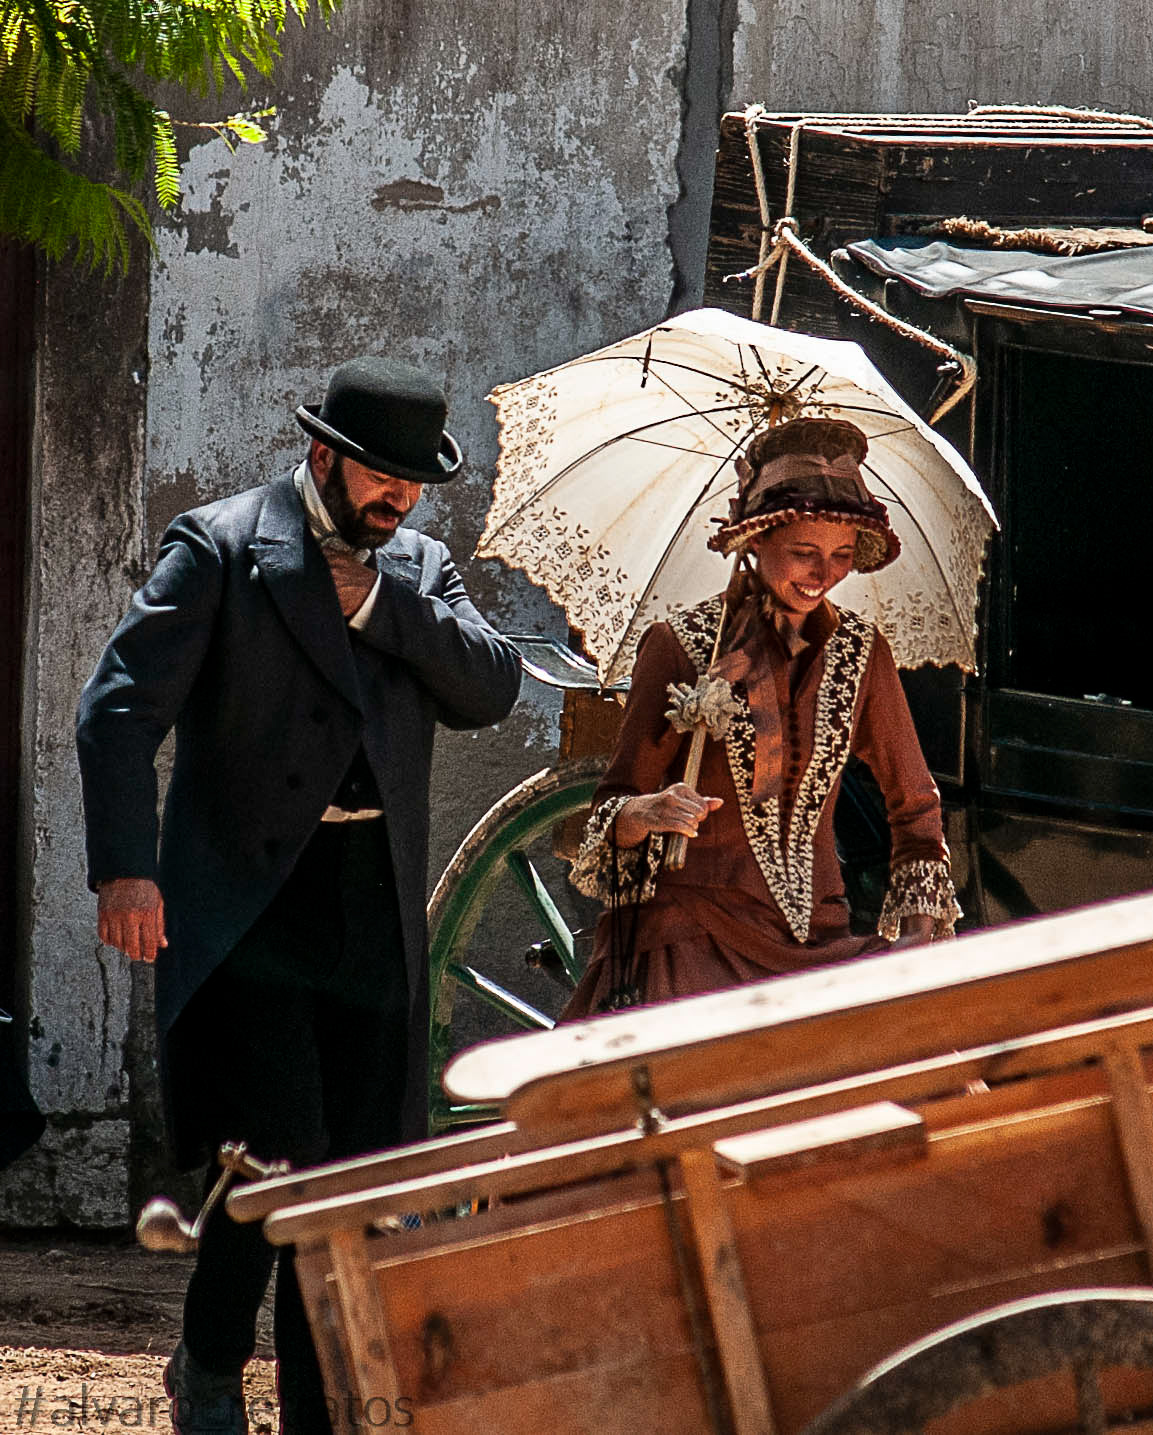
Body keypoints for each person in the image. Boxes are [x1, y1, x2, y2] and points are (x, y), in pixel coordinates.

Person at [75, 356, 522, 1435]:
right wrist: (128, 869)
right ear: (324, 454)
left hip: (372, 905)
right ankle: (222, 1367)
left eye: (414, 482)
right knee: (283, 1156)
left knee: (347, 1175)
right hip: (248, 906)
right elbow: (117, 712)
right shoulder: (220, 548)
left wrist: (385, 607)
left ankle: (295, 1402)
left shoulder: (419, 570)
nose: (399, 497)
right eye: (382, 475)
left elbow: (491, 685)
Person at [564, 415, 958, 1016]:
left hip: (817, 939)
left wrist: (918, 928)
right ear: (754, 540)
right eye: (804, 553)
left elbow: (915, 803)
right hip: (690, 935)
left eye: (842, 556)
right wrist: (651, 810)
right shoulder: (681, 645)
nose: (824, 575)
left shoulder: (862, 652)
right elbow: (611, 810)